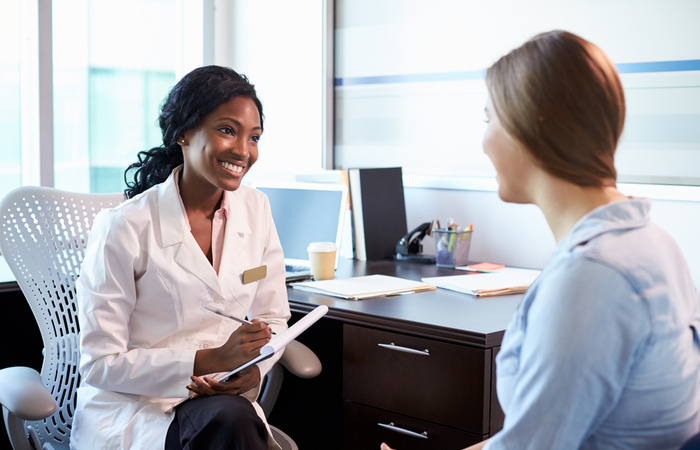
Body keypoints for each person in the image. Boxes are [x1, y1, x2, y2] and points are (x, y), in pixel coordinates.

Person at [382, 30, 700, 450]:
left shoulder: (592, 278)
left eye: (488, 118)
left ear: (531, 125)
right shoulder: (648, 240)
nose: (483, 140)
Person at [71, 65, 290, 450]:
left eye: (253, 137)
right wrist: (208, 360)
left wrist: (252, 369)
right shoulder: (125, 227)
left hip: (222, 404)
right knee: (230, 422)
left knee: (229, 419)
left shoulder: (256, 208)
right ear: (183, 134)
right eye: (227, 130)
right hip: (140, 410)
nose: (243, 150)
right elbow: (98, 363)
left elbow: (273, 317)